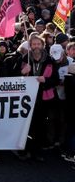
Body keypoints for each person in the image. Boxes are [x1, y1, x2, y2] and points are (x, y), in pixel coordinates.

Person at [19, 33, 59, 161]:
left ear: (43, 45)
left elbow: (56, 79)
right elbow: (13, 76)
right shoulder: (25, 58)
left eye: (38, 44)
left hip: (43, 98)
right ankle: (25, 151)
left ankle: (37, 152)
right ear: (30, 46)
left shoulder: (50, 60)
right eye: (34, 44)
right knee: (26, 125)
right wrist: (22, 72)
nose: (36, 46)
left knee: (40, 125)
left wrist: (45, 80)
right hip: (26, 99)